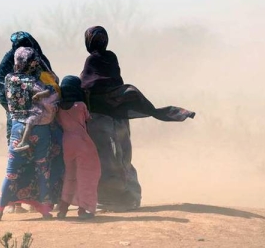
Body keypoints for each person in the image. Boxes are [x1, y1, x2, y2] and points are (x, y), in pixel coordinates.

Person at [80, 26, 196, 211]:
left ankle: (113, 199)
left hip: (99, 118)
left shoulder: (92, 60)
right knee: (124, 156)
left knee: (107, 157)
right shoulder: (111, 58)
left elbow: (88, 85)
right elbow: (113, 83)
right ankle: (131, 197)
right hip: (119, 115)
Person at [0, 47, 60, 221]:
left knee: (12, 170)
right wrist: (52, 82)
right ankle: (45, 210)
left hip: (17, 127)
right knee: (42, 167)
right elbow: (52, 93)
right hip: (40, 129)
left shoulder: (8, 78)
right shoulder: (32, 81)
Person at [56, 76, 101, 219]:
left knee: (70, 175)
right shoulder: (80, 105)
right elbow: (88, 119)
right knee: (86, 175)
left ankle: (62, 209)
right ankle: (84, 209)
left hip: (67, 143)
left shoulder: (58, 108)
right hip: (83, 143)